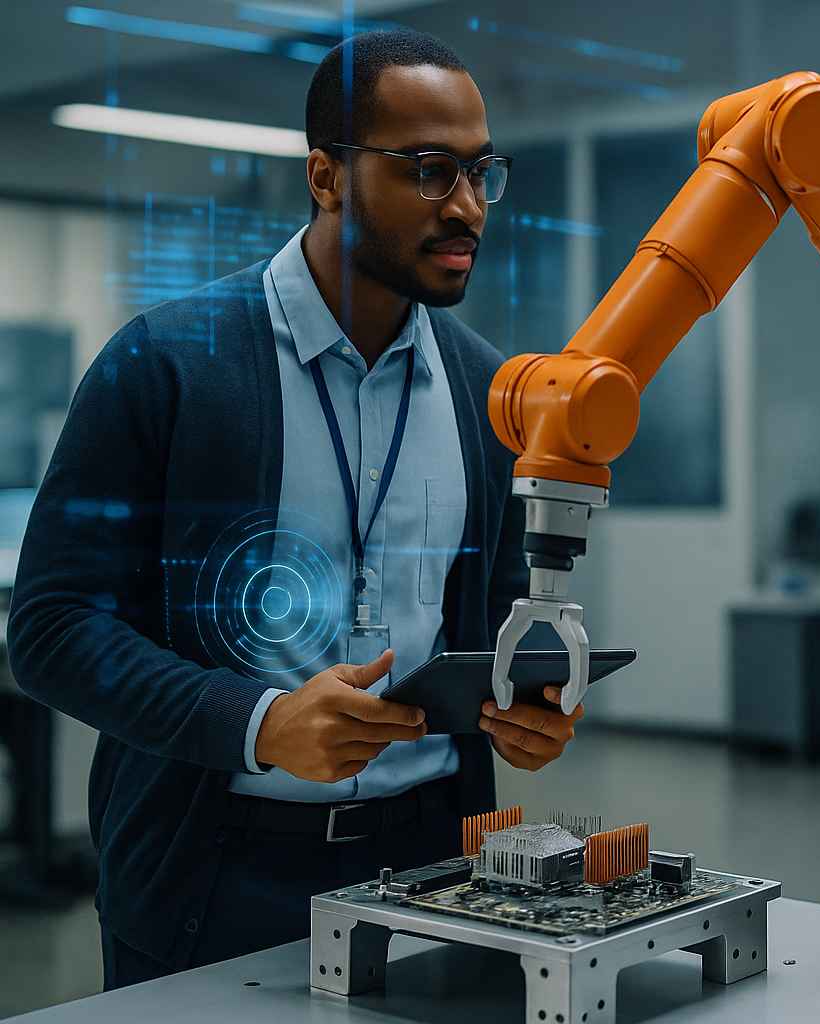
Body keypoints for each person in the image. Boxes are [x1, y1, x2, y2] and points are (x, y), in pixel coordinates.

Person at [8, 29, 583, 988]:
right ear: (326, 176)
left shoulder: (492, 391)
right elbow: (52, 631)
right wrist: (255, 721)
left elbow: (493, 615)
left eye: (483, 172)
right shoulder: (166, 364)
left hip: (432, 868)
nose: (470, 209)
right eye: (431, 172)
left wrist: (528, 702)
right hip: (213, 872)